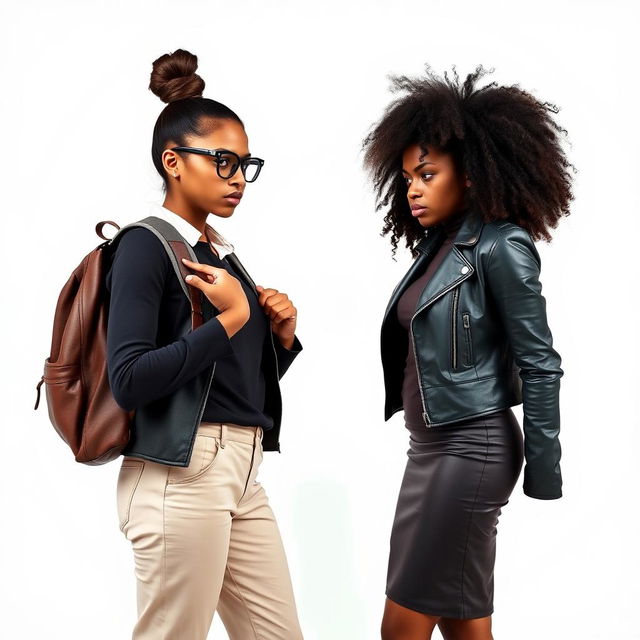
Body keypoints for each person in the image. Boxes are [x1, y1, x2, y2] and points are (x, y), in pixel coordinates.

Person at [362, 64, 574, 640]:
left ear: (474, 174)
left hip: (471, 449)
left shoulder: (501, 245)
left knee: (401, 625)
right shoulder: (439, 246)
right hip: (427, 450)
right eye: (407, 177)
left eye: (427, 174)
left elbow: (540, 361)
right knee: (462, 623)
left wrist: (544, 467)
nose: (413, 188)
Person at [107, 48, 304, 639]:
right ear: (173, 161)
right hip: (178, 475)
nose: (238, 178)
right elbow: (130, 379)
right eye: (222, 161)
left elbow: (223, 381)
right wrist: (232, 319)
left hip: (241, 472)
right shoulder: (145, 246)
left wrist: (281, 340)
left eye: (245, 164)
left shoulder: (219, 253)